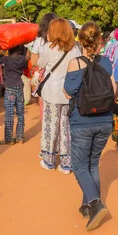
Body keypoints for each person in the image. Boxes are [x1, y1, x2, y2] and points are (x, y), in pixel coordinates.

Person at [63, 21, 114, 232]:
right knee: (93, 163)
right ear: (100, 40)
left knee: (79, 165)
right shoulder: (107, 62)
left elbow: (68, 92)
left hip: (82, 121)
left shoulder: (75, 63)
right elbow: (113, 89)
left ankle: (95, 203)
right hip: (104, 120)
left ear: (81, 41)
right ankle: (87, 206)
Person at [38, 18, 80, 173]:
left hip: (51, 92)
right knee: (66, 127)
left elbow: (41, 64)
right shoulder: (75, 49)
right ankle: (66, 163)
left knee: (50, 125)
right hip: (69, 92)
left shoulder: (48, 48)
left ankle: (49, 160)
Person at [0, 46, 29, 145]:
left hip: (10, 88)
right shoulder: (22, 59)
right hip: (19, 87)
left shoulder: (7, 59)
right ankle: (20, 138)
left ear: (9, 50)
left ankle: (9, 139)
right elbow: (28, 56)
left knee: (9, 114)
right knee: (20, 113)